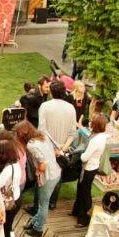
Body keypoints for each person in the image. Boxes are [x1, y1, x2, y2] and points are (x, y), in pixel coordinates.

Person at [14, 121, 61, 237]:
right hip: (56, 172)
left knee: (43, 204)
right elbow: (56, 150)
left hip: (48, 177)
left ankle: (38, 229)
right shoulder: (43, 134)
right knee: (42, 202)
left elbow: (43, 163)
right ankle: (35, 222)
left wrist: (38, 172)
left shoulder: (31, 145)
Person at [35, 80, 77, 211]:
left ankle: (38, 205)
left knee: (41, 176)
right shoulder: (71, 108)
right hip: (62, 149)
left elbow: (41, 130)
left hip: (47, 147)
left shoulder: (45, 106)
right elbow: (73, 133)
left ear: (52, 92)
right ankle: (52, 203)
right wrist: (63, 148)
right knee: (57, 176)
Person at [72, 115, 108, 227]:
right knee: (80, 189)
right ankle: (76, 211)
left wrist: (79, 153)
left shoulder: (95, 140)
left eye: (92, 122)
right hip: (92, 166)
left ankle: (84, 218)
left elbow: (84, 158)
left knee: (85, 193)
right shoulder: (101, 136)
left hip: (88, 168)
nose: (90, 123)